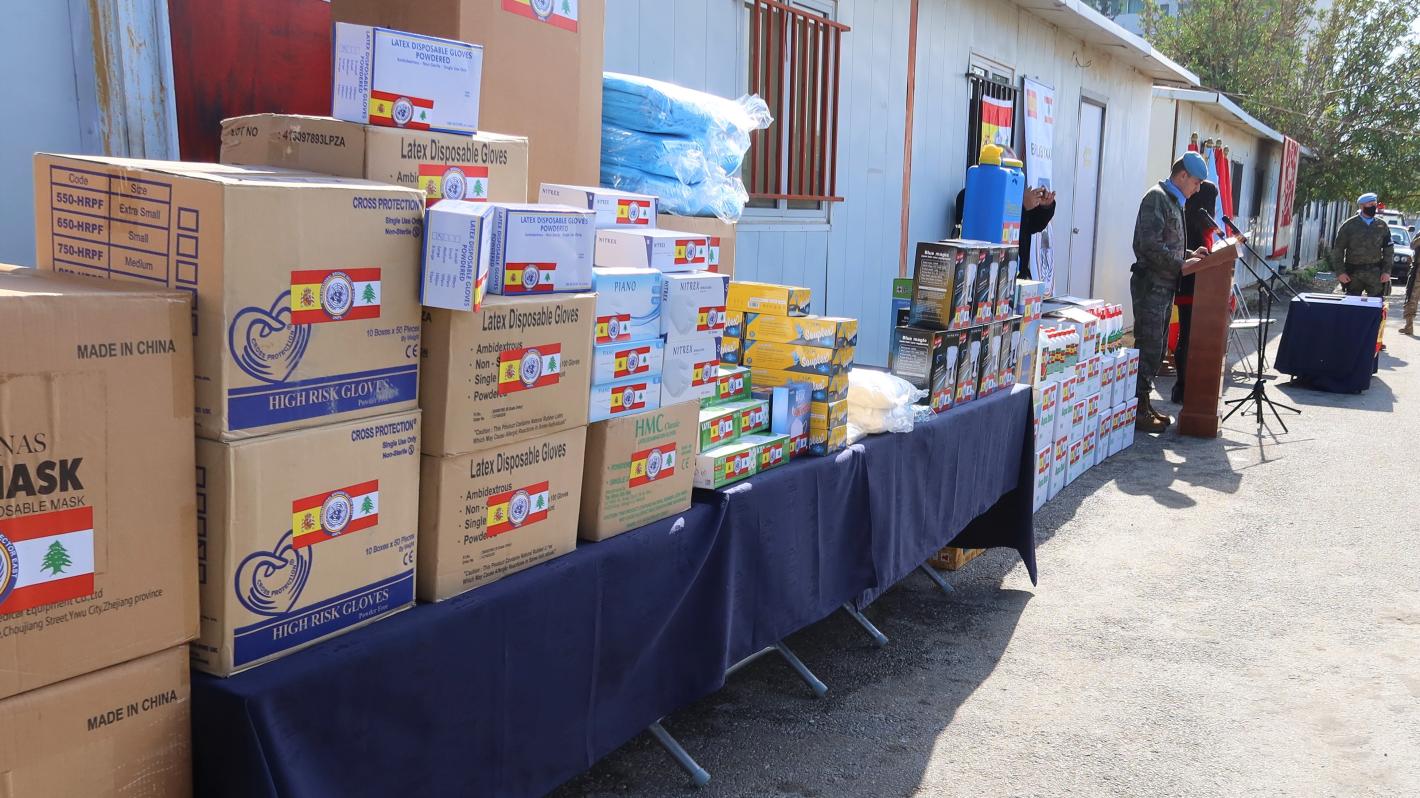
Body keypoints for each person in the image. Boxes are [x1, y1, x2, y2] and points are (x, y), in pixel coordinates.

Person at [1130, 152, 1209, 433]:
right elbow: (1150, 245)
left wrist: (1190, 254)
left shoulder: (1173, 200)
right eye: (1196, 182)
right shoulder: (1157, 198)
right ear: (1182, 175)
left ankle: (1144, 404)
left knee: (1158, 348)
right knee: (1148, 346)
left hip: (1164, 286)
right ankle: (1137, 410)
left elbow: (1168, 244)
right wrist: (1181, 264)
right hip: (1151, 285)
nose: (1197, 189)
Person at [1170, 180, 1222, 403]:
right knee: (1187, 336)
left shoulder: (1195, 221)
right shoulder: (1194, 224)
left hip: (1195, 286)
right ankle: (1182, 386)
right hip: (1192, 286)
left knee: (1187, 336)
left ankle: (1183, 386)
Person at [1330, 193, 1393, 297]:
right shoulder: (1349, 225)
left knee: (1376, 304)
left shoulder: (1381, 225)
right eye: (1370, 204)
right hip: (1353, 273)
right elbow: (1338, 250)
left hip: (1375, 274)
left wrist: (1386, 271)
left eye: (1375, 204)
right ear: (1362, 206)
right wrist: (1340, 272)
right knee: (1352, 303)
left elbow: (1389, 250)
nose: (1373, 207)